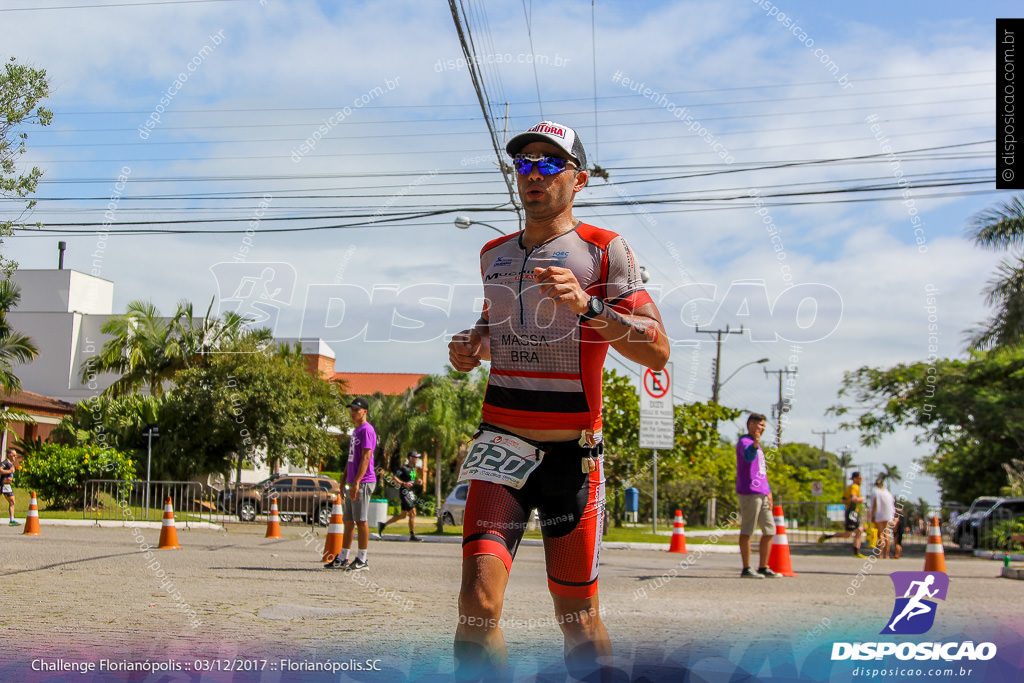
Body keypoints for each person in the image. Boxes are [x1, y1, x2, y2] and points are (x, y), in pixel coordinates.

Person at [448, 120, 670, 679]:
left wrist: (590, 309)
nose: (534, 174)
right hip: (501, 447)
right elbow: (494, 319)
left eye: (550, 164)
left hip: (572, 455)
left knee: (577, 617)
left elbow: (658, 351)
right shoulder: (492, 253)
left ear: (580, 179)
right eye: (524, 164)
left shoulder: (604, 251)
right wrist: (475, 340)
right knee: (478, 603)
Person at [325, 397, 377, 571]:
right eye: (352, 409)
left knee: (361, 520)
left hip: (363, 481)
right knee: (348, 520)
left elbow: (366, 457)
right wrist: (344, 478)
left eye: (356, 409)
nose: (353, 412)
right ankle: (343, 557)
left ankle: (362, 559)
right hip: (352, 481)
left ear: (365, 411)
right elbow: (351, 458)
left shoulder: (367, 430)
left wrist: (356, 482)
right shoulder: (355, 431)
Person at [735, 413, 780, 578]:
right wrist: (755, 442)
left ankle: (763, 566)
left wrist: (768, 491)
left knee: (769, 530)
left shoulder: (758, 446)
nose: (762, 429)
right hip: (749, 493)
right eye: (760, 425)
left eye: (764, 427)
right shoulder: (745, 442)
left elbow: (762, 471)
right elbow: (748, 457)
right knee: (748, 529)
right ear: (752, 425)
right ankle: (746, 568)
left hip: (762, 492)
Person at [818, 471, 866, 557]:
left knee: (847, 534)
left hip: (850, 511)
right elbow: (853, 498)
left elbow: (843, 500)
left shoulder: (849, 487)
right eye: (859, 478)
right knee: (859, 530)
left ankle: (827, 536)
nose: (861, 480)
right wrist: (861, 499)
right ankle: (856, 552)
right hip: (852, 511)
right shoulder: (855, 487)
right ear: (855, 479)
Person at [378, 451, 423, 542]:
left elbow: (411, 481)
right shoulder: (403, 468)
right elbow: (394, 477)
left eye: (418, 457)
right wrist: (403, 483)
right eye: (415, 457)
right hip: (404, 493)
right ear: (410, 458)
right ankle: (412, 535)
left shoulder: (412, 469)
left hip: (410, 493)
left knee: (403, 515)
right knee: (413, 513)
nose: (417, 459)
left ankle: (383, 525)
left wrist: (417, 481)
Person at [870, 477, 896, 558]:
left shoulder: (876, 492)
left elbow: (874, 505)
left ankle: (880, 554)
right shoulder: (887, 492)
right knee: (887, 534)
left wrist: (872, 515)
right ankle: (886, 554)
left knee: (881, 534)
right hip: (888, 514)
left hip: (880, 514)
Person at [1, 449, 17, 526]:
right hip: (4, 485)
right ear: (9, 455)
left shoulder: (11, 464)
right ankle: (11, 519)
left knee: (12, 502)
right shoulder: (5, 463)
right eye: (14, 455)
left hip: (8, 485)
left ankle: (12, 519)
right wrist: (9, 472)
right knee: (12, 501)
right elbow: (0, 470)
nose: (15, 457)